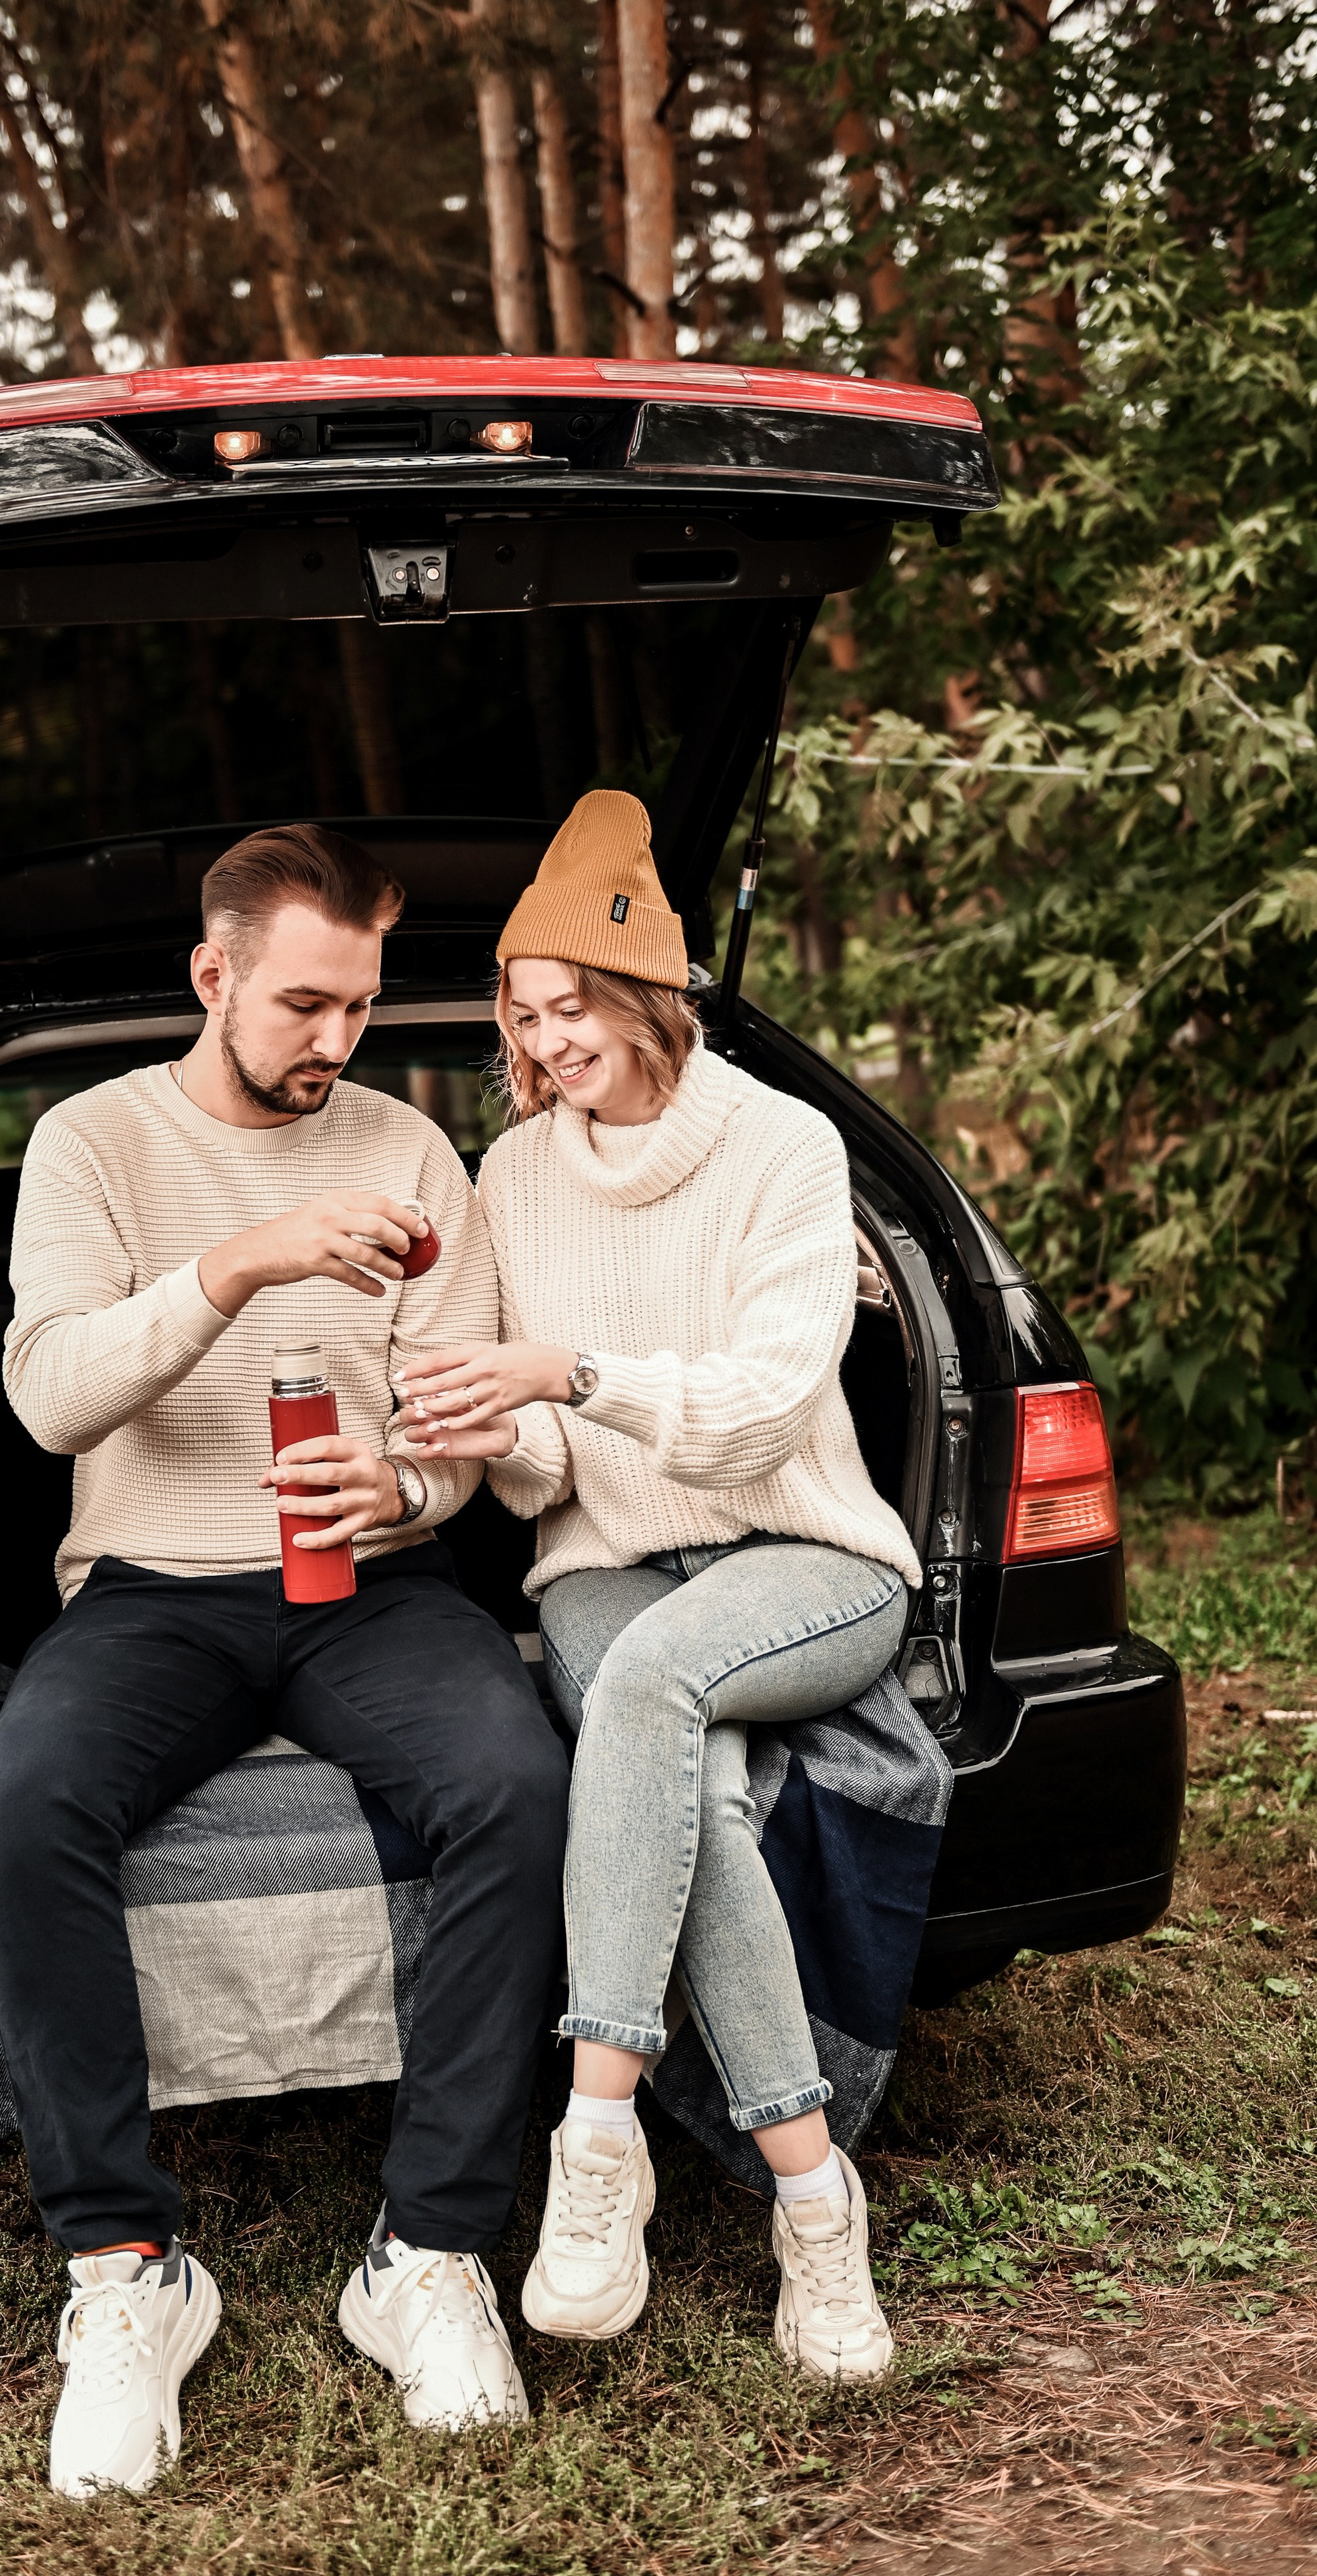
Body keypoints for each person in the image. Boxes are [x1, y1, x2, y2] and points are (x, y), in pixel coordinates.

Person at [0, 824, 569, 2495]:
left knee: (518, 1785)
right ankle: (126, 2272)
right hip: (152, 1588)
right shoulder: (90, 1144)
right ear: (212, 975)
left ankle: (428, 2253)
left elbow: (462, 1411)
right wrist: (241, 1262)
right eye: (305, 1002)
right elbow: (51, 1395)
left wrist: (409, 1476)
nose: (336, 1041)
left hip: (372, 1585)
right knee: (24, 1806)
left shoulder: (412, 1151)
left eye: (361, 1007)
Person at [393, 790, 923, 2383]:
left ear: (642, 996)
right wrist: (503, 1420)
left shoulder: (780, 1144)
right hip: (601, 1563)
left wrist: (570, 1367)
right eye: (521, 1014)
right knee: (677, 1762)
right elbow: (530, 1455)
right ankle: (812, 2203)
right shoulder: (513, 1176)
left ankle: (596, 2133)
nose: (545, 1043)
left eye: (569, 1009)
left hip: (806, 1553)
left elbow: (766, 1406)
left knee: (647, 1692)